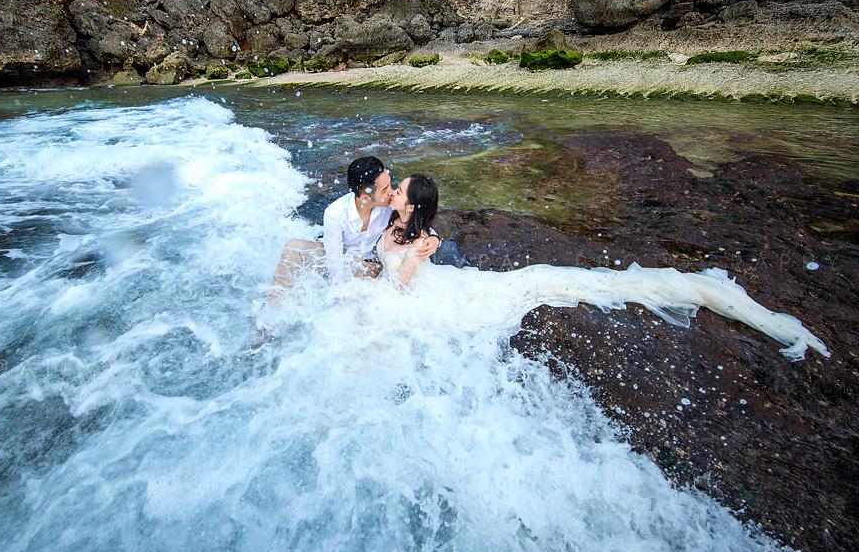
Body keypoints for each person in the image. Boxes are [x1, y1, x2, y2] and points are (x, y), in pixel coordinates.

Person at [376, 173, 828, 361]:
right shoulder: (394, 220)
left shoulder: (423, 240)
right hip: (438, 280)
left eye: (399, 189)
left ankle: (685, 291)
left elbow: (399, 286)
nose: (393, 189)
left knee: (537, 281)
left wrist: (415, 259)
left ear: (413, 205)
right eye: (395, 187)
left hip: (434, 296)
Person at [266, 157, 440, 309]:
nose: (392, 193)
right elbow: (333, 259)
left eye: (391, 185)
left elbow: (415, 222)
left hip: (373, 268)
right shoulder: (336, 213)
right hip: (344, 261)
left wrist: (434, 238)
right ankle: (273, 314)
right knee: (293, 248)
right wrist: (340, 289)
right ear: (365, 197)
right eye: (385, 189)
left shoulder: (389, 207)